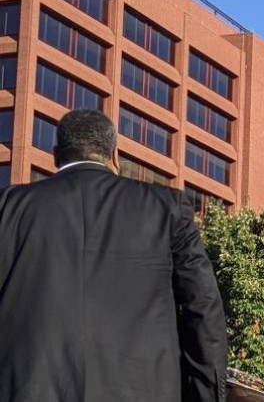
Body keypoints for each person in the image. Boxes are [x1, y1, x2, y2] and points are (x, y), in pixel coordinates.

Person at [0, 109, 228, 402]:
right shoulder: (167, 209)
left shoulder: (8, 207)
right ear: (115, 155)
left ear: (56, 155)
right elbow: (203, 308)